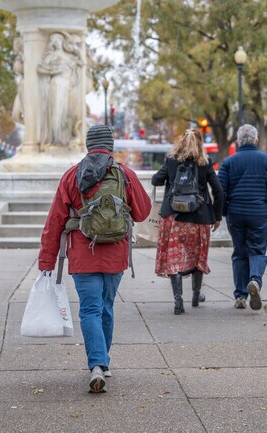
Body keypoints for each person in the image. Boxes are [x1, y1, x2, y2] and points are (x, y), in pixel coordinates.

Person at [38, 125, 151, 393]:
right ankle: (104, 363)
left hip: (82, 253)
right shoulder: (124, 173)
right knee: (106, 307)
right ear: (110, 145)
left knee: (89, 309)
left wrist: (46, 262)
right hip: (115, 252)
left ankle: (96, 365)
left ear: (88, 145)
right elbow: (144, 211)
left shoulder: (72, 175)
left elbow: (55, 221)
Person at [152, 129, 223, 315]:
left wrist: (170, 176)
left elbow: (155, 180)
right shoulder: (204, 163)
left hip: (174, 217)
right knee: (197, 257)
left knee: (175, 258)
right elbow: (219, 191)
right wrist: (217, 216)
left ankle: (178, 301)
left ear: (180, 143)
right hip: (200, 218)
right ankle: (196, 295)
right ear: (200, 144)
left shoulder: (171, 161)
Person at [218, 124, 267, 310]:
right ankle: (255, 279)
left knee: (239, 252)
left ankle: (240, 296)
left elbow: (221, 191)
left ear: (238, 141)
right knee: (257, 250)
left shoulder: (228, 162)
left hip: (236, 213)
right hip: (259, 213)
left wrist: (224, 212)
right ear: (256, 140)